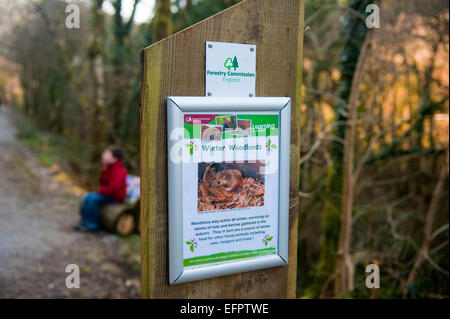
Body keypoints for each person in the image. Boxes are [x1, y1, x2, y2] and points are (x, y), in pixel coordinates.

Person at [75, 146, 127, 232]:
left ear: (115, 158)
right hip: (107, 194)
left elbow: (113, 189)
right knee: (88, 196)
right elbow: (103, 182)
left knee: (92, 198)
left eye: (107, 154)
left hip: (115, 197)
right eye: (104, 153)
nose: (103, 156)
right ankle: (84, 222)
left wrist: (100, 190)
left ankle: (93, 224)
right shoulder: (109, 167)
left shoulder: (120, 171)